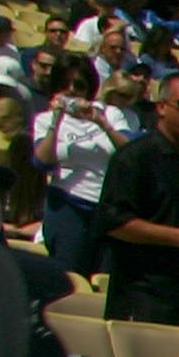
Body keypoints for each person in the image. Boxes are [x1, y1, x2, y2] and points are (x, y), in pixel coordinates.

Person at [94, 70, 179, 325]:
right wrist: (178, 238)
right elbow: (114, 223)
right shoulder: (135, 158)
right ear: (161, 108)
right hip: (145, 298)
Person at [34, 57, 119, 275]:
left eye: (79, 85)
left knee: (105, 278)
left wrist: (102, 123)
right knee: (69, 276)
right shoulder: (44, 119)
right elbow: (41, 162)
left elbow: (132, 153)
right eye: (64, 84)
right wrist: (56, 119)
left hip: (107, 208)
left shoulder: (110, 114)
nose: (71, 90)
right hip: (67, 205)